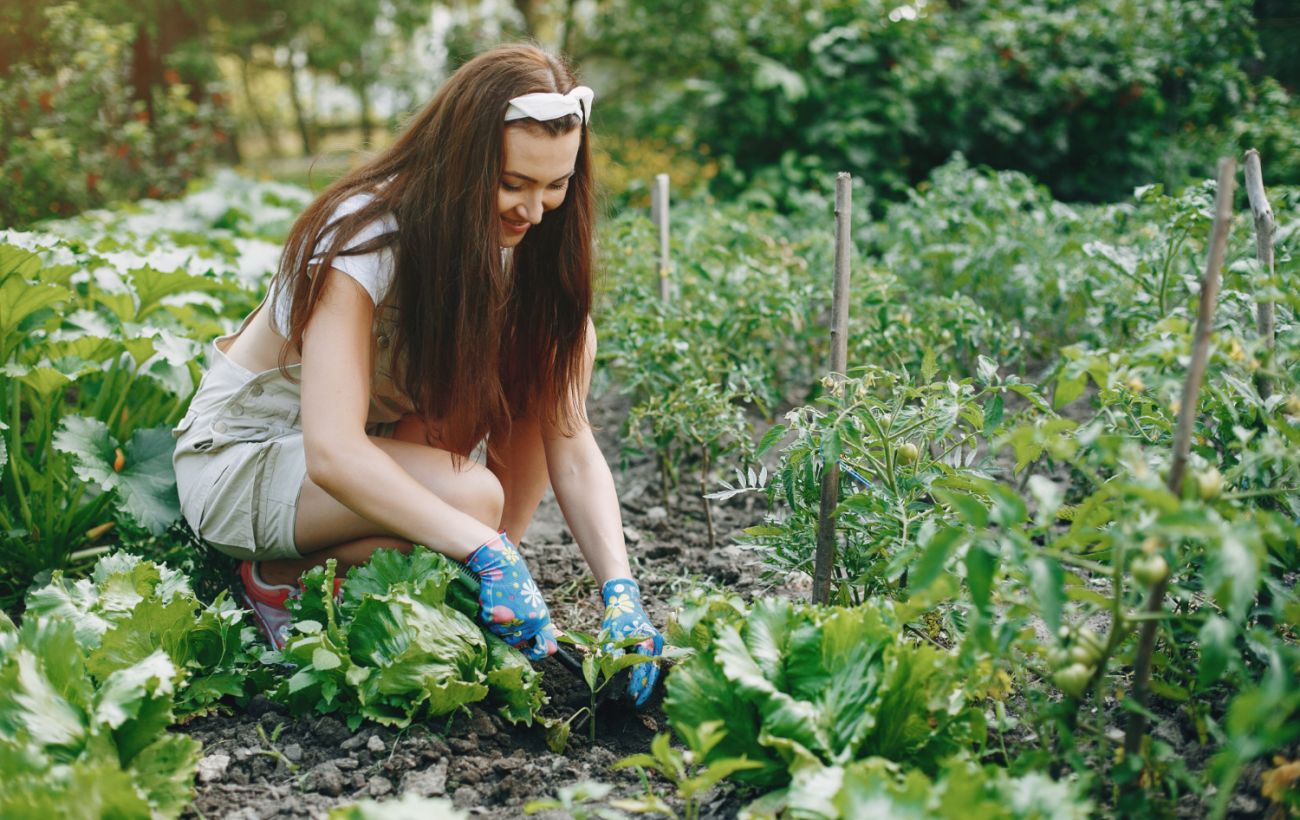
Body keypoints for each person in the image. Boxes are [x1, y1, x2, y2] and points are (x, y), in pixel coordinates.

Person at [172, 44, 662, 706]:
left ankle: (484, 598)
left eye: (556, 186)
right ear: (461, 162)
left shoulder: (519, 252)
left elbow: (571, 449)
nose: (534, 211)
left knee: (545, 351)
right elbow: (332, 454)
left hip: (364, 457)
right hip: (247, 460)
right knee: (473, 499)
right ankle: (276, 577)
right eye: (513, 184)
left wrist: (621, 593)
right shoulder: (363, 239)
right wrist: (483, 546)